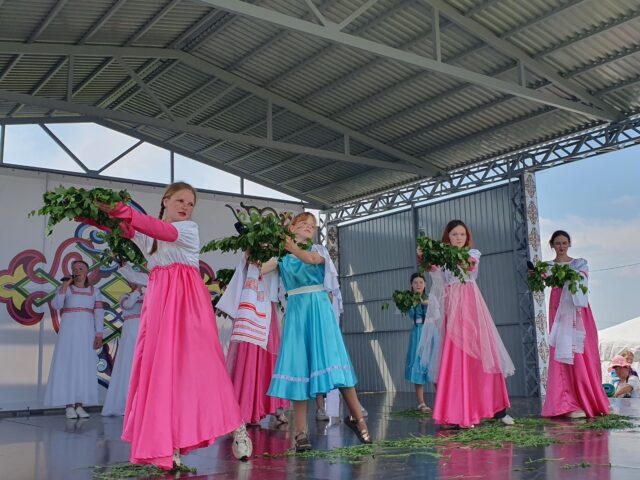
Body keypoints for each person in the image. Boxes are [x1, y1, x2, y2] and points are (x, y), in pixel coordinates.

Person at [97, 182, 251, 470]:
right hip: (160, 302)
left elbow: (160, 230)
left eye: (190, 204)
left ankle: (236, 425)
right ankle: (171, 445)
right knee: (164, 373)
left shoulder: (188, 229)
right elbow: (125, 229)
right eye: (180, 200)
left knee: (205, 367)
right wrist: (93, 213)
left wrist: (122, 210)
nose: (186, 207)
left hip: (188, 302)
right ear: (165, 201)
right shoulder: (150, 237)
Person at [262, 212, 372, 451]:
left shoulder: (319, 251)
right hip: (297, 315)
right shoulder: (281, 258)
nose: (308, 228)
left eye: (312, 226)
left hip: (320, 312)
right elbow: (259, 269)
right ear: (291, 228)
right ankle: (301, 433)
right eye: (303, 224)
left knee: (336, 363)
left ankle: (358, 418)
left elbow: (311, 260)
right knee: (299, 368)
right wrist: (252, 254)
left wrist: (292, 248)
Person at [425, 220, 515, 428]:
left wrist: (447, 257)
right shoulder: (443, 258)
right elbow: (435, 274)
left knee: (484, 354)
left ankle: (497, 410)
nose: (458, 238)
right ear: (447, 237)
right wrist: (425, 256)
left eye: (462, 234)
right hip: (452, 308)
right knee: (456, 358)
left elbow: (469, 266)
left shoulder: (472, 254)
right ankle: (458, 413)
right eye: (454, 234)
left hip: (471, 306)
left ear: (467, 237)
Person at [540, 230, 610, 419]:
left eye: (564, 243)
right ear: (551, 245)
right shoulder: (547, 267)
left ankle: (589, 399)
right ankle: (567, 403)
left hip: (578, 310)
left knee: (581, 351)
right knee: (562, 352)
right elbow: (540, 279)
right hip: (558, 308)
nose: (561, 246)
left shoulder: (579, 264)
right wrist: (535, 273)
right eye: (557, 243)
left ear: (569, 244)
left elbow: (582, 283)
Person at [216, 255, 290, 426]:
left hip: (267, 306)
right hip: (250, 307)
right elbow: (244, 273)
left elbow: (273, 272)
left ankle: (275, 406)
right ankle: (244, 409)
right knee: (248, 357)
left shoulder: (278, 255)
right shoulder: (249, 256)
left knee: (270, 357)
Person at [44, 260, 104, 419]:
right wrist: (64, 287)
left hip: (86, 333)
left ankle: (79, 405)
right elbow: (56, 305)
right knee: (68, 365)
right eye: (75, 269)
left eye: (81, 268)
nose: (77, 271)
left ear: (87, 271)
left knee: (83, 366)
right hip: (68, 334)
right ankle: (69, 405)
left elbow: (99, 314)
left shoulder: (95, 291)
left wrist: (99, 334)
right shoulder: (66, 288)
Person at [101, 265, 146, 416]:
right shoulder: (125, 296)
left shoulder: (146, 297)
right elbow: (128, 305)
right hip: (130, 332)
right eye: (133, 282)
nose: (136, 284)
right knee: (128, 363)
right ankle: (126, 402)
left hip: (144, 331)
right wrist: (137, 292)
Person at [404, 273, 433, 413]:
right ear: (411, 285)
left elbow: (436, 314)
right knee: (418, 364)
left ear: (425, 284)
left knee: (434, 366)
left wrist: (426, 303)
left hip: (430, 332)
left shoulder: (431, 298)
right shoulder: (408, 300)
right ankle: (421, 403)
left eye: (421, 282)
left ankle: (443, 401)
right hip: (417, 332)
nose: (418, 285)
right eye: (415, 282)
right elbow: (402, 311)